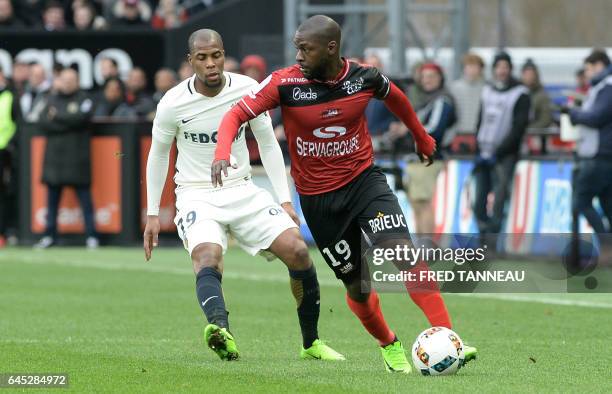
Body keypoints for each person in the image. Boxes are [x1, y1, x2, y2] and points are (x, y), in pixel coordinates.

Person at [212, 15, 477, 373]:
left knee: (404, 253)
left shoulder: (363, 78)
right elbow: (234, 116)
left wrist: (420, 135)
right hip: (320, 202)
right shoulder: (284, 83)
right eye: (297, 49)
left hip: (364, 182)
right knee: (359, 287)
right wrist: (222, 152)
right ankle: (389, 344)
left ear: (331, 48)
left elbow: (396, 97)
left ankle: (448, 338)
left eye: (306, 49)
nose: (299, 56)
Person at [143, 29, 345, 362]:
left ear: (224, 55)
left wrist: (284, 200)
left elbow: (267, 142)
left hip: (242, 189)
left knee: (297, 250)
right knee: (207, 256)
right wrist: (153, 212)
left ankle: (311, 343)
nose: (211, 64)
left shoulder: (247, 90)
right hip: (196, 194)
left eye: (217, 55)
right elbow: (158, 155)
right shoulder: (172, 103)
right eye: (203, 57)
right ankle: (221, 331)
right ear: (190, 61)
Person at [34, 67, 98, 249]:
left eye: (71, 80)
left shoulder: (84, 98)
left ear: (77, 81)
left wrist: (58, 118)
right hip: (54, 160)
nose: (68, 83)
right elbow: (42, 121)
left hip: (77, 160)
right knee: (52, 202)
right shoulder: (50, 99)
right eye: (65, 79)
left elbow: (81, 118)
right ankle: (49, 235)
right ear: (59, 81)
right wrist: (68, 122)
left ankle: (92, 236)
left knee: (85, 201)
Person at [394, 63, 456, 234]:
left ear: (440, 78)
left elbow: (436, 129)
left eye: (431, 76)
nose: (427, 80)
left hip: (429, 157)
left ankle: (426, 247)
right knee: (416, 203)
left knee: (423, 202)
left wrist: (407, 128)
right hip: (416, 158)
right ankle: (422, 245)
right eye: (424, 76)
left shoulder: (442, 100)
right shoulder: (425, 99)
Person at [473, 52, 530, 234]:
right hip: (484, 153)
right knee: (479, 199)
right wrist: (478, 145)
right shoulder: (487, 90)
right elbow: (480, 120)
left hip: (505, 155)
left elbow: (518, 127)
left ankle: (493, 240)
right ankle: (483, 233)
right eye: (499, 67)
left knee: (499, 199)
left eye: (505, 67)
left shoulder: (520, 93)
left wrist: (501, 150)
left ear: (510, 69)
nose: (502, 71)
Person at [565, 49, 612, 233]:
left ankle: (606, 243)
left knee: (581, 201)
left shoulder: (607, 87)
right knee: (608, 205)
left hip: (599, 155)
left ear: (599, 65)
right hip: (603, 154)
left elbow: (596, 117)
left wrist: (573, 113)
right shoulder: (602, 87)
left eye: (589, 68)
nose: (587, 74)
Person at [0, 65, 21, 248]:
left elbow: (18, 124)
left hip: (4, 153)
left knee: (4, 194)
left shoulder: (11, 96)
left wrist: (10, 144)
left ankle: (4, 232)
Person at [450, 53, 485, 134]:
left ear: (481, 69)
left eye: (475, 66)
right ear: (464, 68)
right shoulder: (454, 87)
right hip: (458, 133)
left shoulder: (486, 89)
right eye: (469, 66)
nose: (472, 70)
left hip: (479, 133)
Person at [521, 59, 552, 130]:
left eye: (531, 74)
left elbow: (545, 119)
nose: (529, 77)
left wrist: (526, 129)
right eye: (526, 74)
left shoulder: (542, 95)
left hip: (535, 134)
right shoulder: (516, 93)